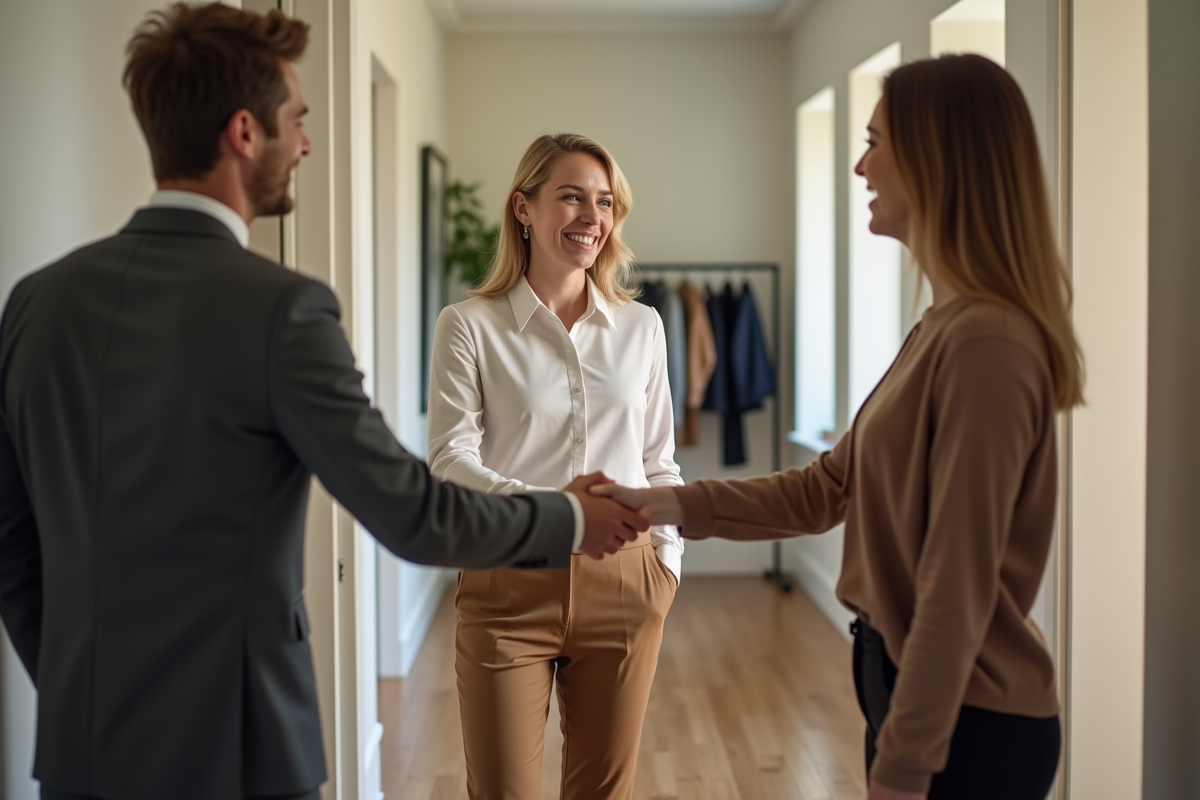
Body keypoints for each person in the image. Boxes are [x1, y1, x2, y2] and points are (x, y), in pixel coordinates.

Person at [0, 6, 646, 800]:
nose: (305, 143)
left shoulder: (36, 302)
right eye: (295, 121)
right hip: (244, 747)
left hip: (81, 749)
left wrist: (77, 689)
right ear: (245, 132)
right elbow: (414, 512)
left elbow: (13, 547)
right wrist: (573, 518)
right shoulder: (283, 309)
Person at [596, 54, 1082, 800]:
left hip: (968, 725)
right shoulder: (942, 329)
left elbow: (956, 586)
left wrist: (903, 768)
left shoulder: (989, 344)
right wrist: (665, 504)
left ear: (937, 157)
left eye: (876, 140)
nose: (861, 166)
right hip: (912, 699)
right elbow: (827, 489)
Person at [426, 133, 683, 800]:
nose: (591, 217)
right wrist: (557, 513)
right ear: (523, 208)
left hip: (626, 586)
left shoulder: (644, 327)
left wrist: (666, 568)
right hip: (507, 584)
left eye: (604, 202)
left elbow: (659, 459)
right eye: (571, 197)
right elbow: (450, 461)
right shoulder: (468, 325)